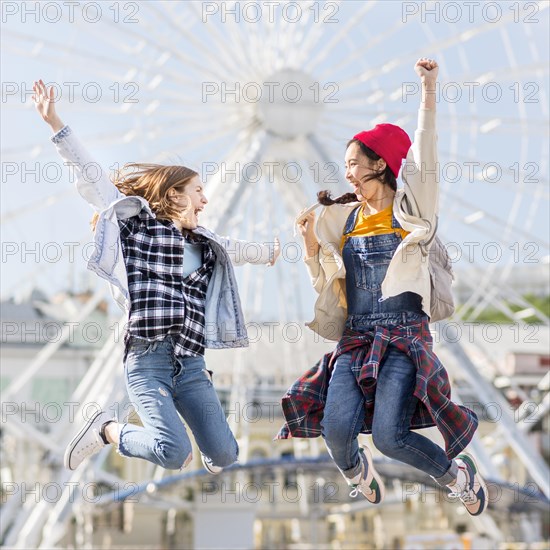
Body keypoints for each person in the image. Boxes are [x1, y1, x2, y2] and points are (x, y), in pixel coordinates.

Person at [33, 79, 280, 474]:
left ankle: (198, 441)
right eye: (198, 190)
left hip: (192, 363)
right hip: (148, 360)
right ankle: (107, 430)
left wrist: (273, 253)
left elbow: (235, 248)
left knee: (226, 456)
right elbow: (93, 178)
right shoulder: (140, 228)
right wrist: (57, 126)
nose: (206, 199)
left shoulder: (205, 241)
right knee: (174, 454)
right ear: (175, 193)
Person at [277, 59, 488, 516]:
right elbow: (331, 288)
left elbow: (426, 154)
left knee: (392, 438)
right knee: (335, 431)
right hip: (356, 338)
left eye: (354, 163)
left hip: (404, 336)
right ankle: (357, 472)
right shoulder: (344, 220)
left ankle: (458, 477)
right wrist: (312, 250)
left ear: (380, 164)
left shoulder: (414, 212)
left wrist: (428, 93)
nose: (347, 172)